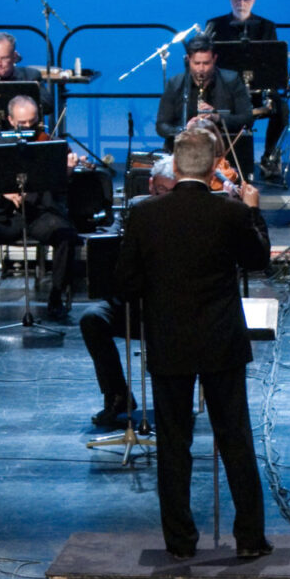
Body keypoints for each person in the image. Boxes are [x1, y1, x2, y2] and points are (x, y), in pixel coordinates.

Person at [115, 128, 272, 559]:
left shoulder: (145, 214)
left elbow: (125, 283)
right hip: (222, 340)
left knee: (173, 444)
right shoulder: (231, 212)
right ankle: (250, 539)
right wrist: (254, 212)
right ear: (214, 165)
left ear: (177, 163)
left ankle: (180, 543)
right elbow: (258, 261)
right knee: (235, 439)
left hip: (169, 341)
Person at [81, 158, 174, 429]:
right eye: (160, 190)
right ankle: (117, 395)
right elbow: (111, 241)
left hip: (170, 307)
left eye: (171, 191)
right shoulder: (134, 208)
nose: (164, 197)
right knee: (92, 318)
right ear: (151, 185)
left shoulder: (185, 215)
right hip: (132, 301)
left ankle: (172, 403)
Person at [0, 96, 80, 318]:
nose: (28, 128)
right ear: (10, 120)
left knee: (66, 235)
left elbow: (60, 188)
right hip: (5, 217)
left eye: (32, 122)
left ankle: (56, 298)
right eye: (22, 123)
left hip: (39, 215)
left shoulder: (50, 144)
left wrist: (68, 170)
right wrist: (4, 191)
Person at [203, 0, 288, 181]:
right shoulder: (214, 25)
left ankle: (269, 157)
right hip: (226, 92)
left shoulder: (267, 26)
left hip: (257, 91)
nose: (241, 3)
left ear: (254, 0)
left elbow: (272, 65)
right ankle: (218, 160)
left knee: (282, 109)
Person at [154, 35, 255, 172]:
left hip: (223, 156)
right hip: (184, 155)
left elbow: (247, 119)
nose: (201, 69)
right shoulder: (176, 84)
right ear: (188, 59)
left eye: (206, 63)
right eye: (196, 63)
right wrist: (184, 129)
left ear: (214, 59)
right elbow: (161, 126)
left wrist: (217, 117)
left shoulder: (231, 81)